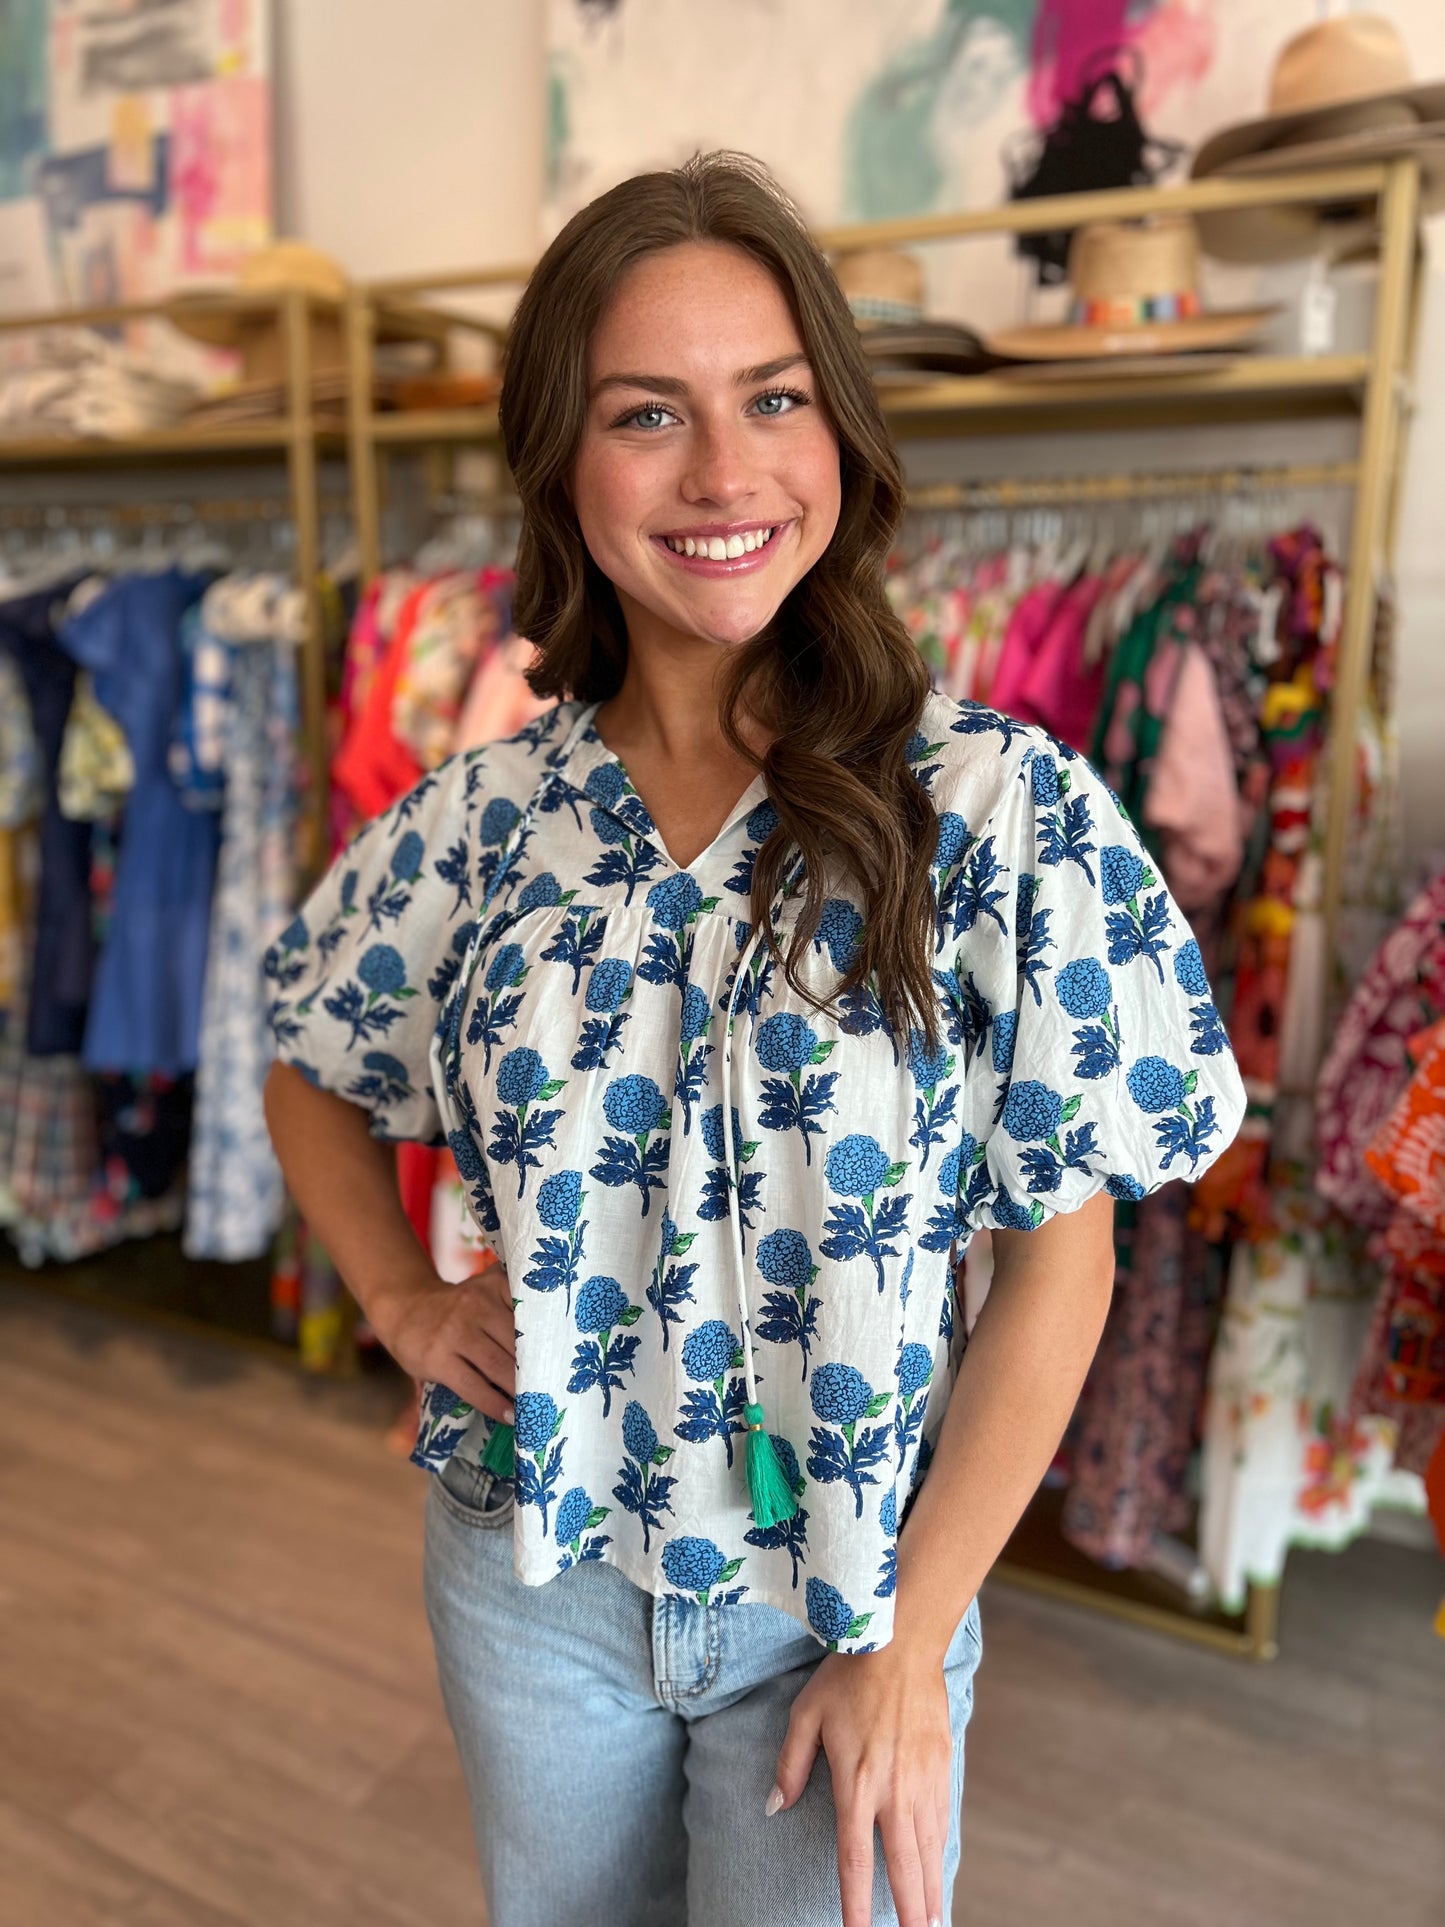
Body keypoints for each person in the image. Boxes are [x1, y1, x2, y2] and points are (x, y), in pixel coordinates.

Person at [263, 152, 1245, 1927]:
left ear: (838, 437)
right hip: (530, 1570)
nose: (723, 474)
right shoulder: (484, 819)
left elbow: (1060, 1266)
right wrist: (402, 1307)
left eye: (771, 400)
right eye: (648, 414)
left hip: (845, 1595)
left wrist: (909, 1639)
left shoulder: (997, 810)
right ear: (564, 461)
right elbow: (308, 1052)